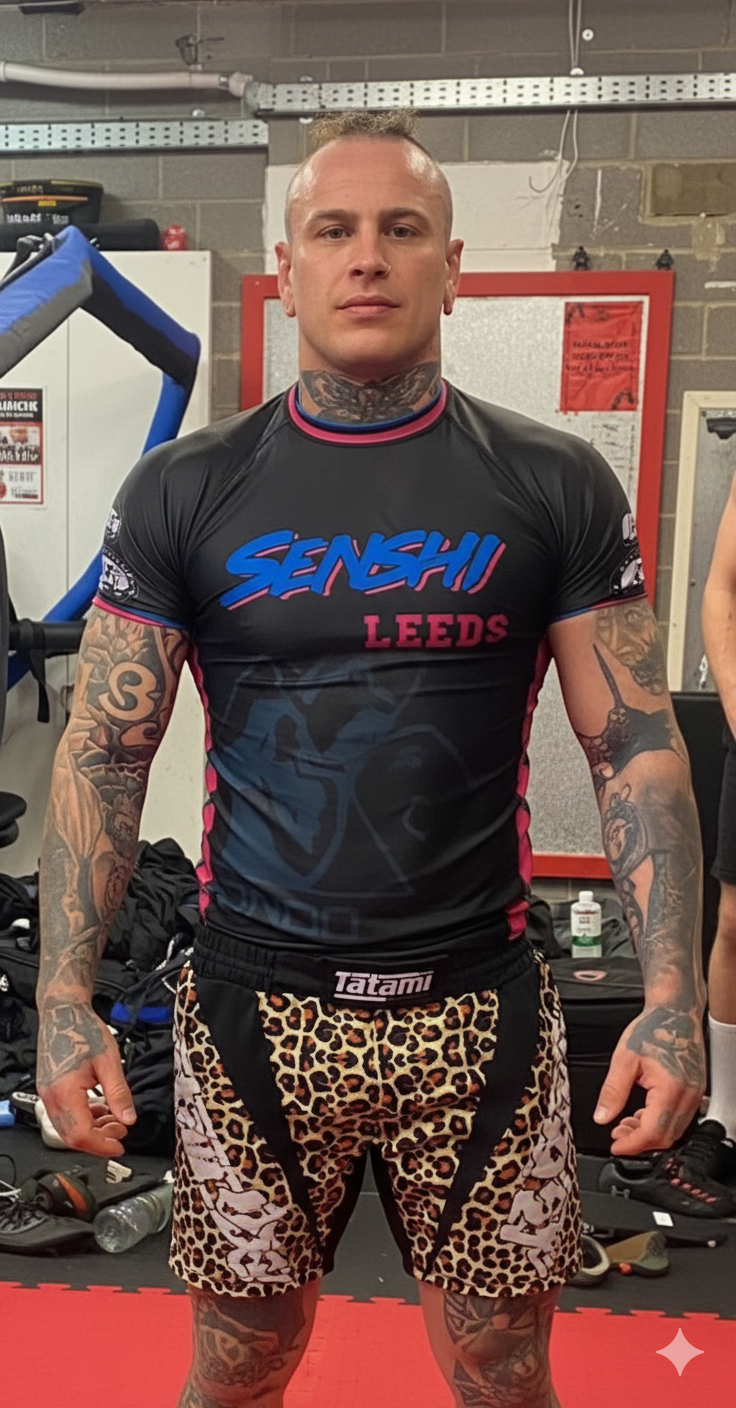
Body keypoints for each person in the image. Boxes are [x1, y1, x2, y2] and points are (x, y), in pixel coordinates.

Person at [35, 110, 706, 1408]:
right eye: (333, 230)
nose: (367, 256)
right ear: (285, 271)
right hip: (256, 1008)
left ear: (451, 266)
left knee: (503, 1367)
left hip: (479, 1007)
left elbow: (634, 746)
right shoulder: (183, 489)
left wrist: (672, 995)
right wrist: (64, 1000)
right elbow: (105, 754)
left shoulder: (555, 482)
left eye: (402, 229)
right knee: (240, 1361)